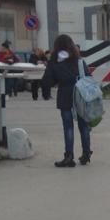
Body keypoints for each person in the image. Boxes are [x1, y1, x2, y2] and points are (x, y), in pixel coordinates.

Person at [40, 35, 93, 168]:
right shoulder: (79, 61)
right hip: (80, 95)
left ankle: (69, 157)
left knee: (68, 127)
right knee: (83, 125)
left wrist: (46, 92)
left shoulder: (55, 62)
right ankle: (86, 154)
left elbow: (47, 81)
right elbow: (88, 77)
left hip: (64, 95)